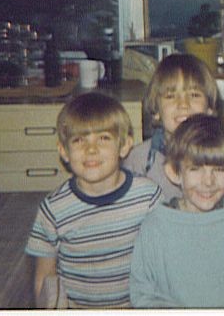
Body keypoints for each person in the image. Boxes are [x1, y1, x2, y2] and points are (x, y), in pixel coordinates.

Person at [123, 53, 224, 259]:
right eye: (170, 96)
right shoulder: (138, 161)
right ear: (156, 110)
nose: (183, 104)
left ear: (210, 108)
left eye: (194, 95)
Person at [25, 92, 162, 309]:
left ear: (124, 146)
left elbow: (166, 260)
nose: (91, 149)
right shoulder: (54, 209)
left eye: (103, 138)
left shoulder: (148, 197)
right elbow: (44, 278)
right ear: (64, 151)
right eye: (79, 140)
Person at [129, 114, 224, 308]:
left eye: (218, 169)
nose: (208, 181)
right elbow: (142, 294)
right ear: (174, 172)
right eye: (195, 169)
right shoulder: (154, 227)